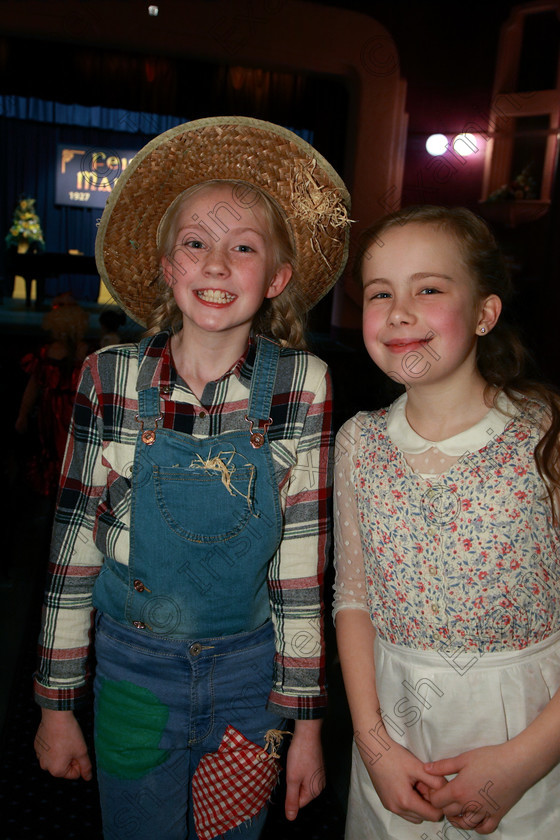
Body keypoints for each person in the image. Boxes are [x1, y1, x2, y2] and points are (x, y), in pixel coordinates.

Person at [33, 116, 351, 840]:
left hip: (250, 678)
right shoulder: (109, 377)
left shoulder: (304, 385)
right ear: (168, 266)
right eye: (196, 244)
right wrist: (56, 702)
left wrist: (304, 723)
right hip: (131, 671)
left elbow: (302, 568)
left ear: (274, 277)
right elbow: (74, 544)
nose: (215, 264)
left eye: (242, 248)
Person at [334, 205, 560, 839]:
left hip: (528, 730)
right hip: (396, 734)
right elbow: (353, 598)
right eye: (381, 294)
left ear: (485, 313)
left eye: (428, 289)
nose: (400, 311)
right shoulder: (359, 442)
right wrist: (374, 745)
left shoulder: (543, 434)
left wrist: (524, 760)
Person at [15, 292, 90, 497]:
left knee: (68, 449)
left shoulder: (83, 351)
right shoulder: (47, 352)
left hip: (73, 410)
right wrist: (22, 415)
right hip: (53, 410)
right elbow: (33, 386)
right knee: (53, 448)